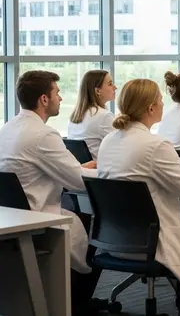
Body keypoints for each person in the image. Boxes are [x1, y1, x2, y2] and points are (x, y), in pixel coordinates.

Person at [97, 78, 180, 316]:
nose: (163, 104)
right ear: (150, 108)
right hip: (150, 241)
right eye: (160, 100)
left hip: (114, 239)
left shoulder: (110, 141)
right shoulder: (155, 145)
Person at [0, 70, 102, 316]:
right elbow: (78, 182)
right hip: (39, 220)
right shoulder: (44, 134)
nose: (60, 98)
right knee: (98, 237)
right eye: (57, 93)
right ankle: (76, 303)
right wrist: (88, 169)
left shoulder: (7, 128)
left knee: (83, 222)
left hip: (13, 216)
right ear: (44, 99)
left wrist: (77, 168)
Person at [67, 69, 118, 160]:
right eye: (110, 84)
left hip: (84, 171)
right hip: (99, 170)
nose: (115, 87)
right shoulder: (104, 116)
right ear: (98, 91)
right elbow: (121, 146)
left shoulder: (75, 116)